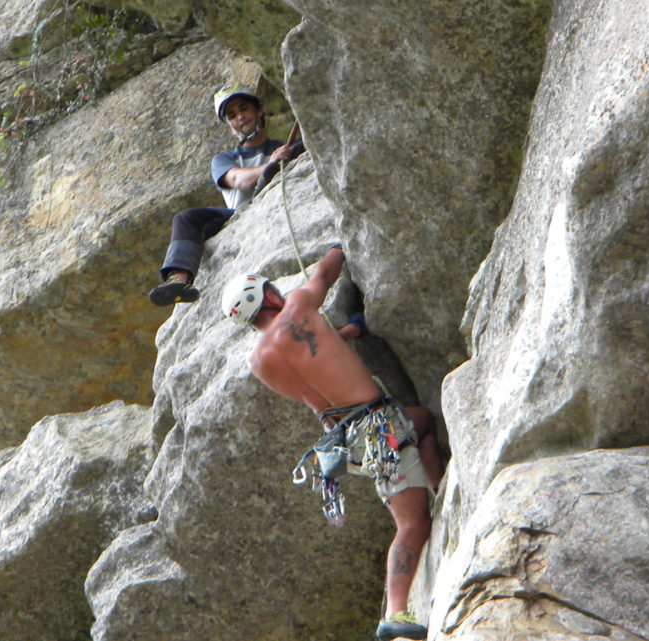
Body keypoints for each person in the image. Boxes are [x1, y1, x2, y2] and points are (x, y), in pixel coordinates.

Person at [220, 246, 443, 641]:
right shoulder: (296, 306)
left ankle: (435, 487)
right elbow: (324, 275)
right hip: (378, 427)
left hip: (344, 442)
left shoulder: (259, 361)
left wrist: (346, 334)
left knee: (422, 422)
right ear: (268, 296)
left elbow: (314, 372)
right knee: (411, 525)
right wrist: (340, 248)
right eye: (273, 289)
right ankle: (395, 613)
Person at [148, 82, 302, 306]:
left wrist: (283, 157)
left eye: (244, 108)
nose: (240, 116)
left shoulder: (287, 148)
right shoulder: (223, 159)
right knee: (186, 218)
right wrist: (272, 162)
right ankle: (178, 280)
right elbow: (239, 180)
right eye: (232, 115)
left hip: (274, 202)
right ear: (230, 127)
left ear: (259, 111)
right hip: (236, 216)